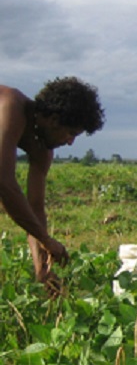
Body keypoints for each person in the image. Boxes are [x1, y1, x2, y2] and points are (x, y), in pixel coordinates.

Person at [0, 77, 105, 291]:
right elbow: (4, 181)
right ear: (54, 120)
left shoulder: (43, 150)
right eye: (71, 133)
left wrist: (42, 266)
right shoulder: (10, 107)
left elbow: (35, 208)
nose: (70, 142)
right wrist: (46, 239)